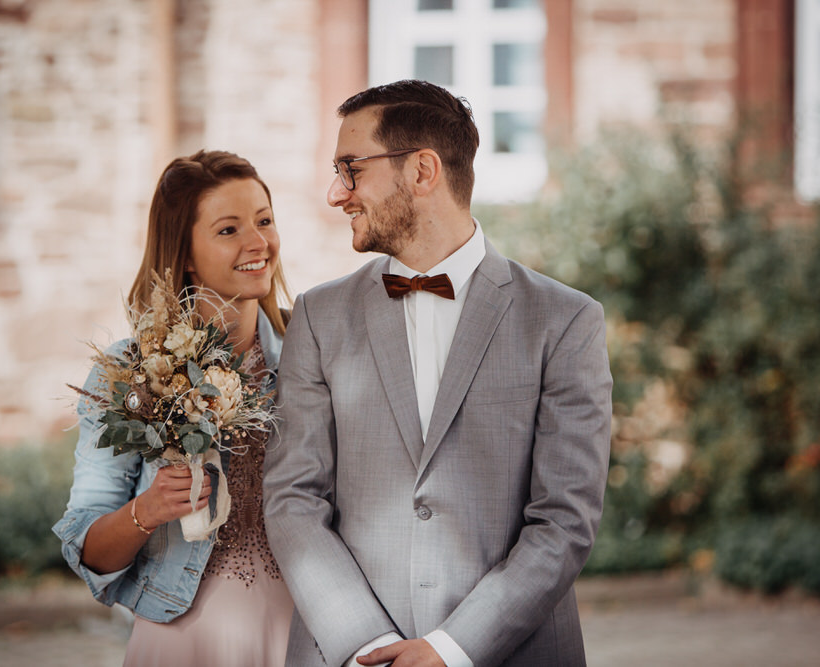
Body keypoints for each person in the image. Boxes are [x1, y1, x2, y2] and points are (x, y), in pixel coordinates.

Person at [262, 80, 613, 667]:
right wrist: (367, 644)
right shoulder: (320, 317)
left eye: (351, 168)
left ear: (423, 171)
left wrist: (452, 650)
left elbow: (564, 519)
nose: (335, 193)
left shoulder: (565, 320)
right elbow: (292, 499)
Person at [54, 150, 294, 666]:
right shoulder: (128, 372)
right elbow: (88, 548)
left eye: (265, 221)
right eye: (228, 230)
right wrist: (149, 509)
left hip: (304, 634)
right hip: (183, 636)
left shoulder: (313, 351)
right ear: (184, 253)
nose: (259, 243)